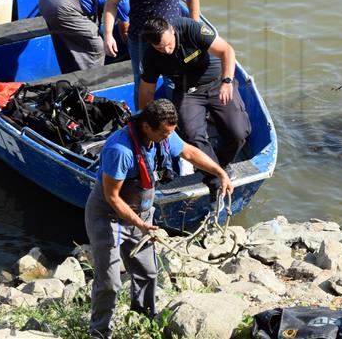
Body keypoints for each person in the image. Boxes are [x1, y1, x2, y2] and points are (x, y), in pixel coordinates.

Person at [84, 99, 233, 339]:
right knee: (110, 283)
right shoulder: (119, 151)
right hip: (110, 218)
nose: (168, 138)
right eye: (164, 133)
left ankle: (143, 319)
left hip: (142, 215)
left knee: (148, 272)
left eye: (170, 133)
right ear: (146, 126)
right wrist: (140, 224)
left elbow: (190, 152)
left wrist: (220, 173)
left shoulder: (163, 135)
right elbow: (112, 197)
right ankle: (99, 332)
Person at [139, 17, 251, 169]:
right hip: (188, 92)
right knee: (191, 136)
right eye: (159, 48)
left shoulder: (191, 29)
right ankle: (213, 173)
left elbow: (227, 50)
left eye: (168, 44)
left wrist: (227, 81)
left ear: (172, 30)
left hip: (218, 83)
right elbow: (147, 90)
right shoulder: (150, 56)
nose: (166, 50)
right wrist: (146, 120)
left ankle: (220, 162)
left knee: (238, 134)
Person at [102, 0, 200, 106]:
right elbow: (112, 3)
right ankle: (143, 121)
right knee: (142, 82)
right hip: (140, 39)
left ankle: (175, 120)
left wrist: (194, 25)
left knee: (175, 80)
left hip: (172, 37)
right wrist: (108, 34)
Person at [37, 0, 130, 73]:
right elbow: (125, 33)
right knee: (96, 48)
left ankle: (70, 75)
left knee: (68, 42)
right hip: (61, 8)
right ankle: (91, 85)